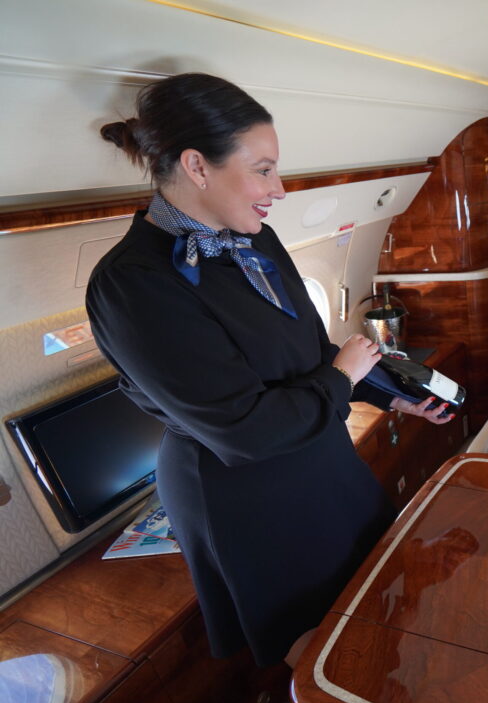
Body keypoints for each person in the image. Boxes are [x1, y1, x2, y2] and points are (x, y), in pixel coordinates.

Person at [87, 73, 449, 668]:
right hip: (246, 494)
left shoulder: (258, 240)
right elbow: (242, 429)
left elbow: (308, 351)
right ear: (198, 166)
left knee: (375, 609)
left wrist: (388, 392)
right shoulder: (132, 284)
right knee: (314, 650)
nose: (278, 189)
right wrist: (341, 381)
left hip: (319, 458)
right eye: (262, 169)